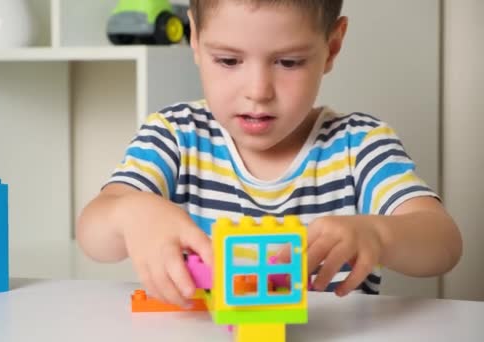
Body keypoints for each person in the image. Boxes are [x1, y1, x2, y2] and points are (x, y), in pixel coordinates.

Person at [76, 0, 462, 308]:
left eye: (289, 62)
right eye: (229, 60)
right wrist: (130, 213)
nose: (258, 90)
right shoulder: (174, 136)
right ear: (195, 38)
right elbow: (93, 233)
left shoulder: (358, 145)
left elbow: (443, 244)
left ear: (332, 47)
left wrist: (378, 234)